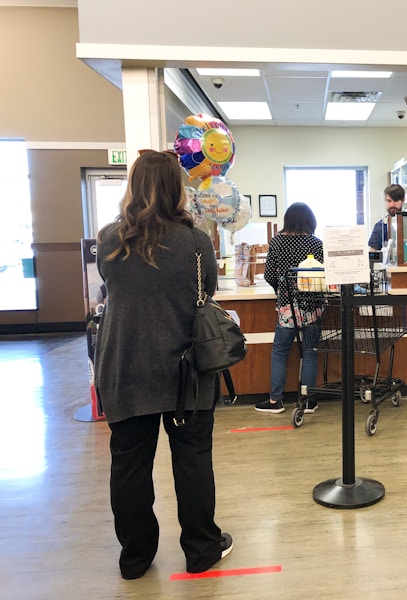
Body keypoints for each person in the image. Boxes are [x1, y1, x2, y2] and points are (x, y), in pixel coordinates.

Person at [94, 150, 232, 579]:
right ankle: (201, 549)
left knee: (129, 464)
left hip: (124, 367)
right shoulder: (195, 242)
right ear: (178, 188)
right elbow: (205, 289)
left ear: (133, 187)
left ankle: (135, 558)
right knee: (192, 460)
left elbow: (113, 286)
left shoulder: (110, 239)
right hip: (184, 369)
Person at [257, 202, 324, 415]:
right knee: (310, 351)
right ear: (310, 221)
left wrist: (283, 291)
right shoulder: (316, 243)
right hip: (312, 304)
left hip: (288, 307)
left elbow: (268, 274)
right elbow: (324, 275)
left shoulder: (277, 242)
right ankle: (308, 401)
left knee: (280, 351)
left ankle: (275, 401)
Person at [368, 183, 405, 251]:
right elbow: (372, 253)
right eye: (389, 201)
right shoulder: (380, 226)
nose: (392, 204)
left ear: (403, 200)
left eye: (396, 200)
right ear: (385, 201)